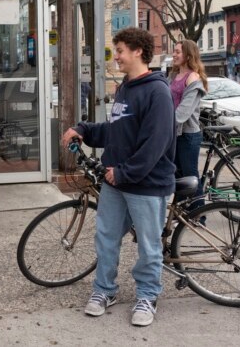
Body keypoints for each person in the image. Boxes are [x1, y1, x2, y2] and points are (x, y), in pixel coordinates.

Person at [61, 27, 175, 327]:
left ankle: (148, 296)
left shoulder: (157, 91)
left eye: (121, 50)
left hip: (145, 185)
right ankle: (104, 290)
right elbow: (116, 132)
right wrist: (83, 129)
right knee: (106, 239)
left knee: (149, 246)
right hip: (116, 182)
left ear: (138, 51)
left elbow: (155, 143)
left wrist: (124, 172)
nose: (117, 57)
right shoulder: (126, 87)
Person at [169, 40, 208, 186]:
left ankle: (200, 208)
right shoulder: (173, 76)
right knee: (178, 179)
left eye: (178, 52)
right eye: (174, 51)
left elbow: (182, 114)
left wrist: (160, 124)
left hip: (187, 135)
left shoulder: (193, 78)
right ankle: (182, 209)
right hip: (174, 133)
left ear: (188, 55)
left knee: (190, 179)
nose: (174, 55)